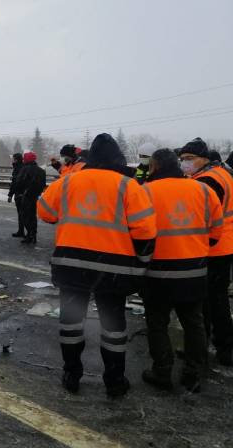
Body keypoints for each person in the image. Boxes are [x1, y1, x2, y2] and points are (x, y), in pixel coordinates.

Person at [37, 133, 156, 398]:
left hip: (71, 266)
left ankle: (71, 374)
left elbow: (44, 211)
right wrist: (141, 265)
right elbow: (146, 232)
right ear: (117, 159)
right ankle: (114, 380)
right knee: (113, 325)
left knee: (71, 323)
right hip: (113, 270)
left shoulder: (68, 182)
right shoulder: (129, 186)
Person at [141, 149, 223, 393]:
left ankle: (162, 371)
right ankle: (193, 373)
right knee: (193, 322)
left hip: (156, 272)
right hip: (194, 270)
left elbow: (136, 232)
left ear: (154, 167)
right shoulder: (204, 191)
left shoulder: (145, 192)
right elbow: (216, 233)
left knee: (157, 323)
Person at [179, 138, 233, 366]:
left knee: (212, 300)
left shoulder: (208, 180)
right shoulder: (221, 173)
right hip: (224, 244)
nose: (184, 164)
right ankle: (216, 345)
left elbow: (201, 216)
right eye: (182, 159)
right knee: (214, 298)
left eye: (189, 159)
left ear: (204, 159)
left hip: (214, 247)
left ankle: (221, 348)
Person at [15, 151, 46, 244]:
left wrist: (20, 192)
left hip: (25, 196)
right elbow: (42, 185)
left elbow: (19, 182)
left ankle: (29, 235)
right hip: (35, 196)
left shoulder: (25, 169)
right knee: (32, 216)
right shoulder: (41, 171)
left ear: (27, 159)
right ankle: (33, 234)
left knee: (24, 216)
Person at [8, 153, 25, 238]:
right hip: (24, 193)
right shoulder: (23, 167)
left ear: (16, 159)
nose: (12, 160)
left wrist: (10, 195)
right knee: (24, 214)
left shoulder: (18, 168)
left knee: (21, 213)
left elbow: (14, 183)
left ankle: (22, 231)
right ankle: (24, 232)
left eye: (13, 158)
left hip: (19, 194)